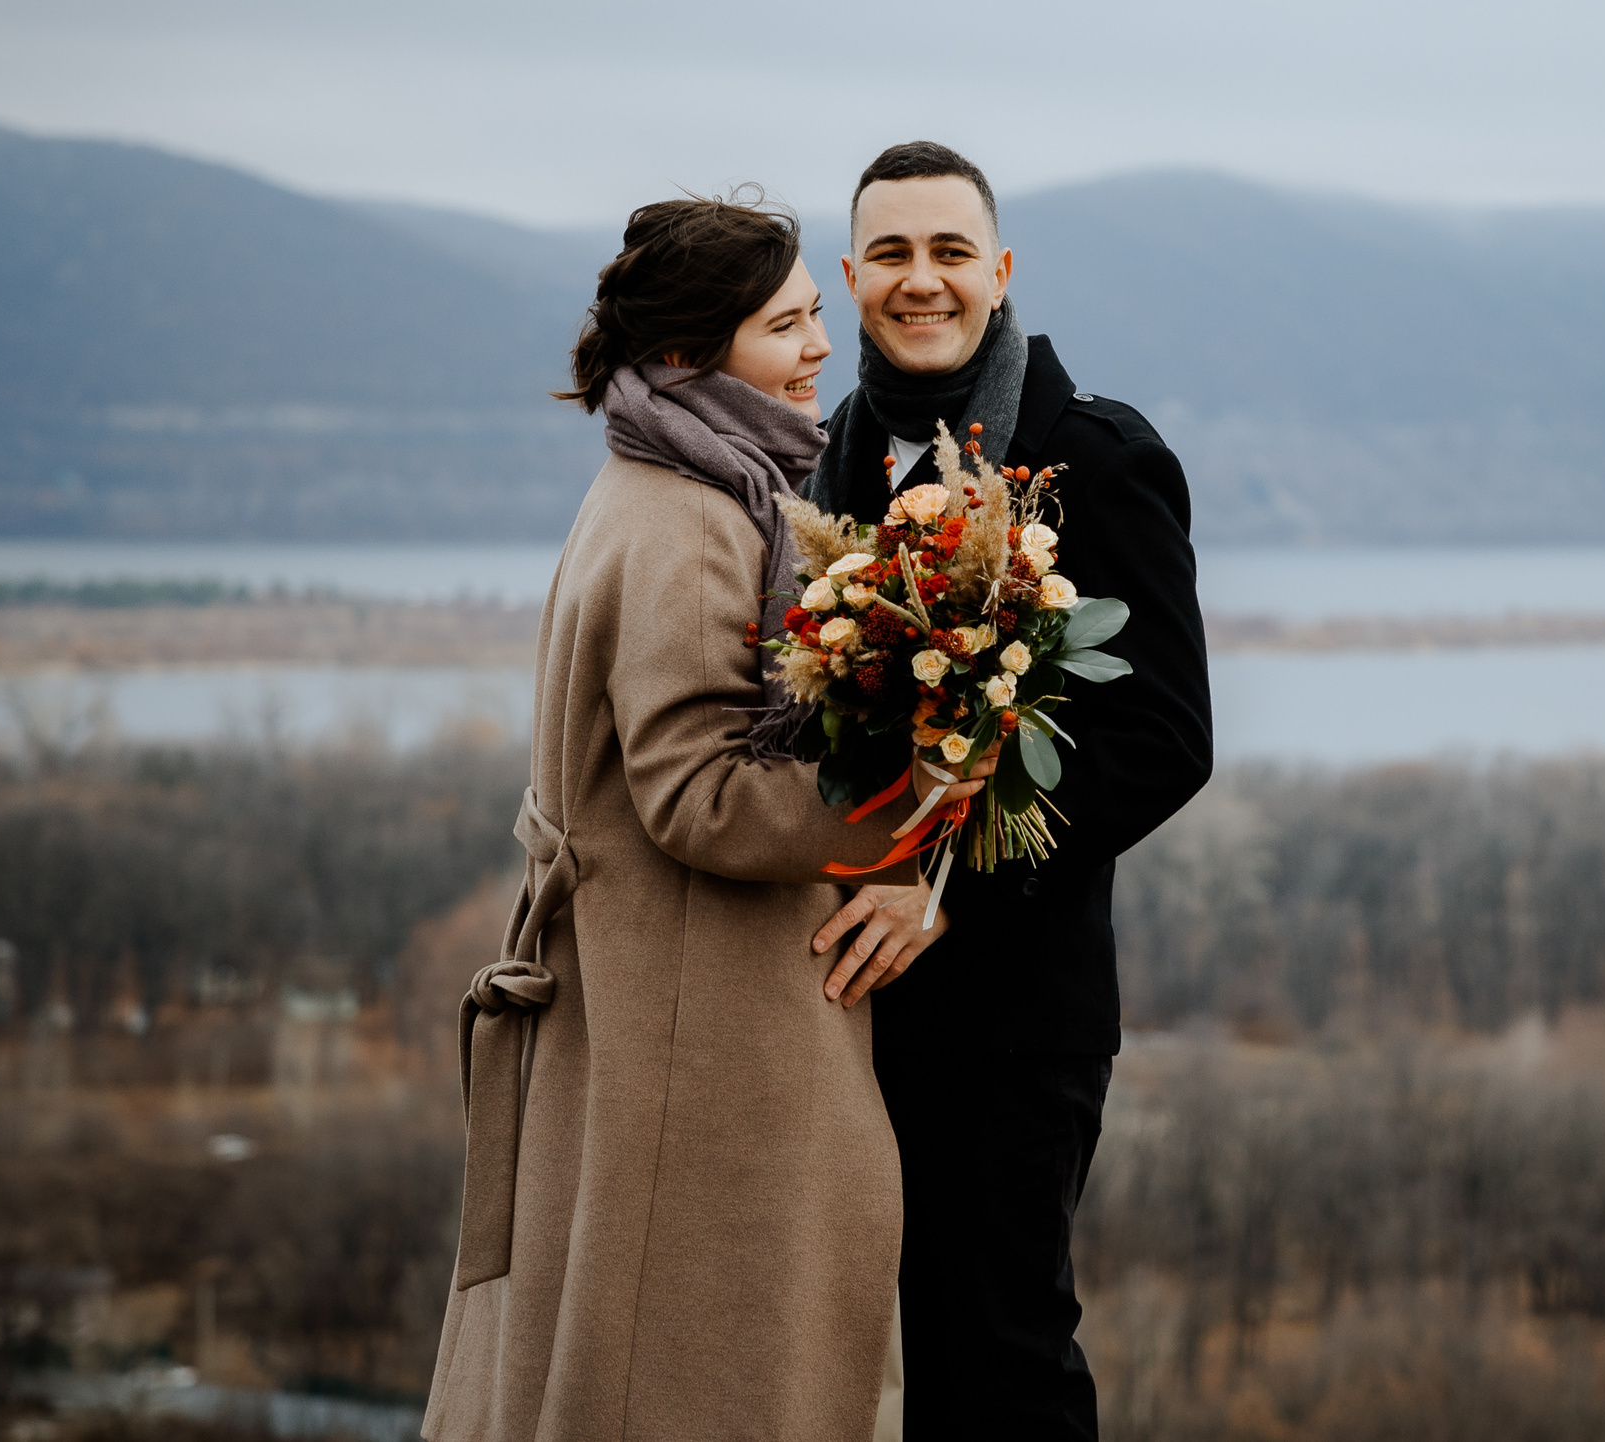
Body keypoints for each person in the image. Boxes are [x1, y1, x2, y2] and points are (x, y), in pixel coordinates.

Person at [422, 194, 989, 1442]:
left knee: (651, 1345)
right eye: (786, 325)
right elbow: (702, 795)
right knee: (700, 1364)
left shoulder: (675, 477)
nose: (821, 348)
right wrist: (925, 788)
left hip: (663, 997)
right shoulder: (686, 521)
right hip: (697, 1020)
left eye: (813, 318)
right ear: (687, 354)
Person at [808, 142, 1214, 1438]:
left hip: (1015, 1004)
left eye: (947, 252)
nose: (919, 280)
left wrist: (948, 889)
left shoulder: (1095, 458)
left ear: (1001, 270)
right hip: (833, 995)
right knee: (851, 1346)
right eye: (889, 253)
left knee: (997, 1350)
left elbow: (1164, 736)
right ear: (853, 273)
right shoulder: (827, 460)